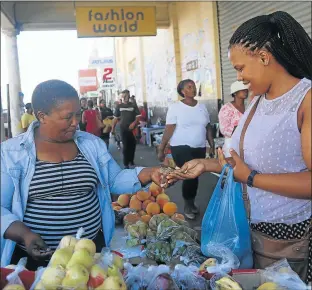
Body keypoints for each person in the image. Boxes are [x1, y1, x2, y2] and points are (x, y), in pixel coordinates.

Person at [169, 11, 311, 282]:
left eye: (241, 67)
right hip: (248, 229)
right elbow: (243, 163)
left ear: (264, 56)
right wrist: (207, 164)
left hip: (286, 239)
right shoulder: (258, 101)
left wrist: (252, 178)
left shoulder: (305, 100)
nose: (240, 77)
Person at [1, 79, 169, 270]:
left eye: (78, 114)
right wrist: (25, 235)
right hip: (36, 260)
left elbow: (114, 179)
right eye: (68, 117)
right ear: (42, 116)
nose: (76, 123)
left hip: (90, 255)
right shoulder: (11, 153)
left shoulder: (91, 144)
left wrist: (149, 173)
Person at [158, 79, 215, 219]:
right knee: (190, 175)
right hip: (180, 147)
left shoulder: (202, 107)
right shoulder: (175, 107)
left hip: (199, 147)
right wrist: (161, 148)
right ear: (183, 91)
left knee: (194, 176)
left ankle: (191, 201)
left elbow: (207, 127)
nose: (193, 88)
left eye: (194, 86)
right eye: (189, 87)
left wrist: (212, 145)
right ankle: (188, 205)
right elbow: (169, 129)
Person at [218, 81, 248, 157]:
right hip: (232, 145)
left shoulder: (249, 107)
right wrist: (240, 129)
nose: (245, 91)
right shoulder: (227, 108)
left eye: (246, 89)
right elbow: (224, 130)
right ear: (234, 93)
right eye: (242, 89)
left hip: (246, 144)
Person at [112, 90, 141, 169]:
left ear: (129, 96)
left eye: (127, 96)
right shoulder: (119, 106)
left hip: (132, 129)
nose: (126, 97)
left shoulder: (133, 105)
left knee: (132, 145)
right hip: (123, 129)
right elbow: (115, 119)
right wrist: (112, 129)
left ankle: (131, 161)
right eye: (124, 96)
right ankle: (126, 164)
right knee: (125, 146)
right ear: (122, 97)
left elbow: (138, 117)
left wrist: (134, 123)